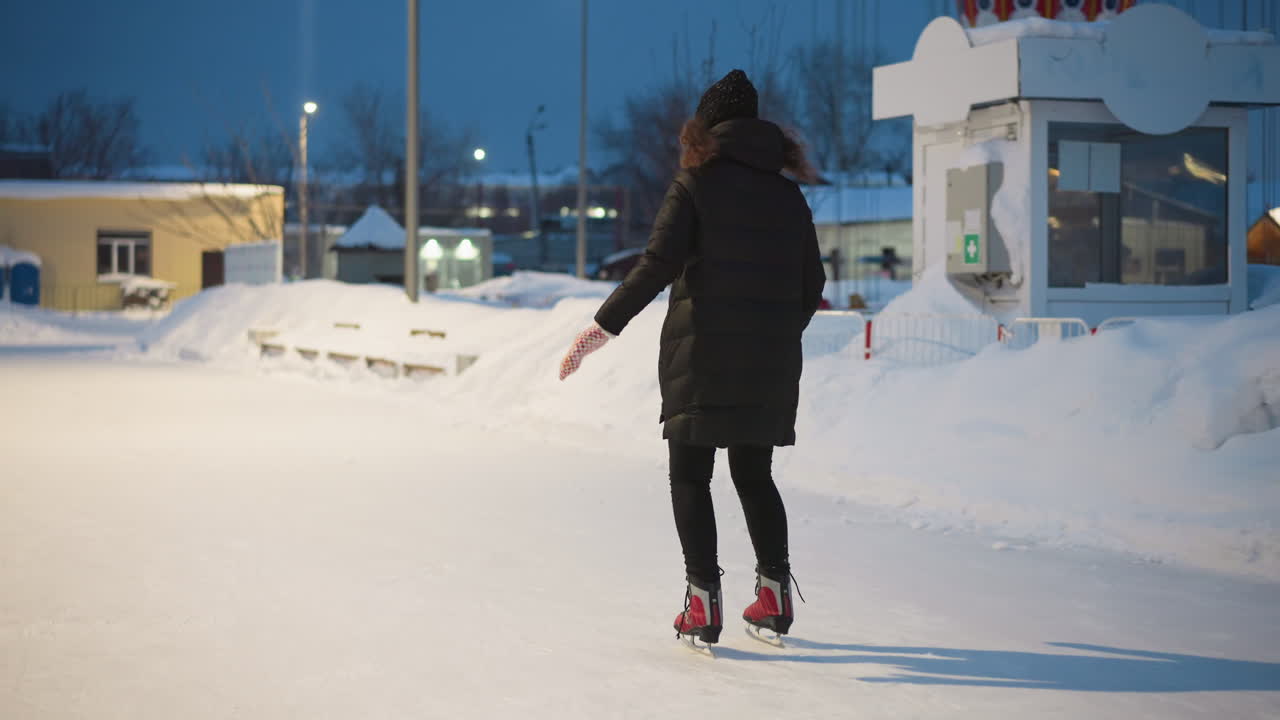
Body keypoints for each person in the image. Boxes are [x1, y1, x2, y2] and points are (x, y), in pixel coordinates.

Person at [558, 69, 825, 646]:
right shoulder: (789, 196)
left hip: (701, 356)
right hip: (769, 363)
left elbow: (655, 264)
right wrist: (773, 335)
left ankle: (703, 604)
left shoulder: (696, 185)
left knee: (690, 475)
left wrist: (597, 330)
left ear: (706, 128)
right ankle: (774, 598)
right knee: (755, 474)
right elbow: (812, 286)